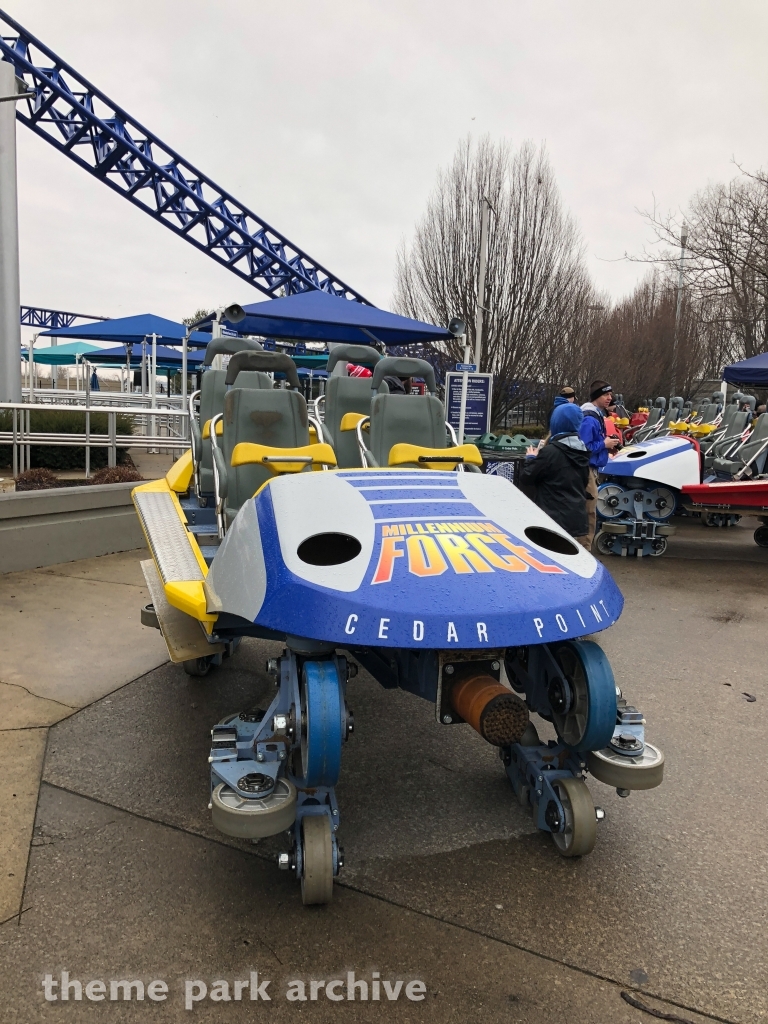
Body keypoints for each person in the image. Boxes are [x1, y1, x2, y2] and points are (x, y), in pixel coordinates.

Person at [520, 403, 591, 544]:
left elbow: (526, 477)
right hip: (574, 518)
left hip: (552, 519)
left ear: (556, 422)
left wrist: (531, 459)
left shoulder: (550, 452)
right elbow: (584, 482)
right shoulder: (582, 450)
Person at [579, 380, 621, 549]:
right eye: (606, 394)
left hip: (590, 469)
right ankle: (585, 548)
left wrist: (608, 446)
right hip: (587, 471)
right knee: (589, 511)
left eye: (610, 394)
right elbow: (584, 448)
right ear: (597, 396)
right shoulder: (590, 419)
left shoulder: (594, 415)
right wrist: (604, 445)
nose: (609, 398)